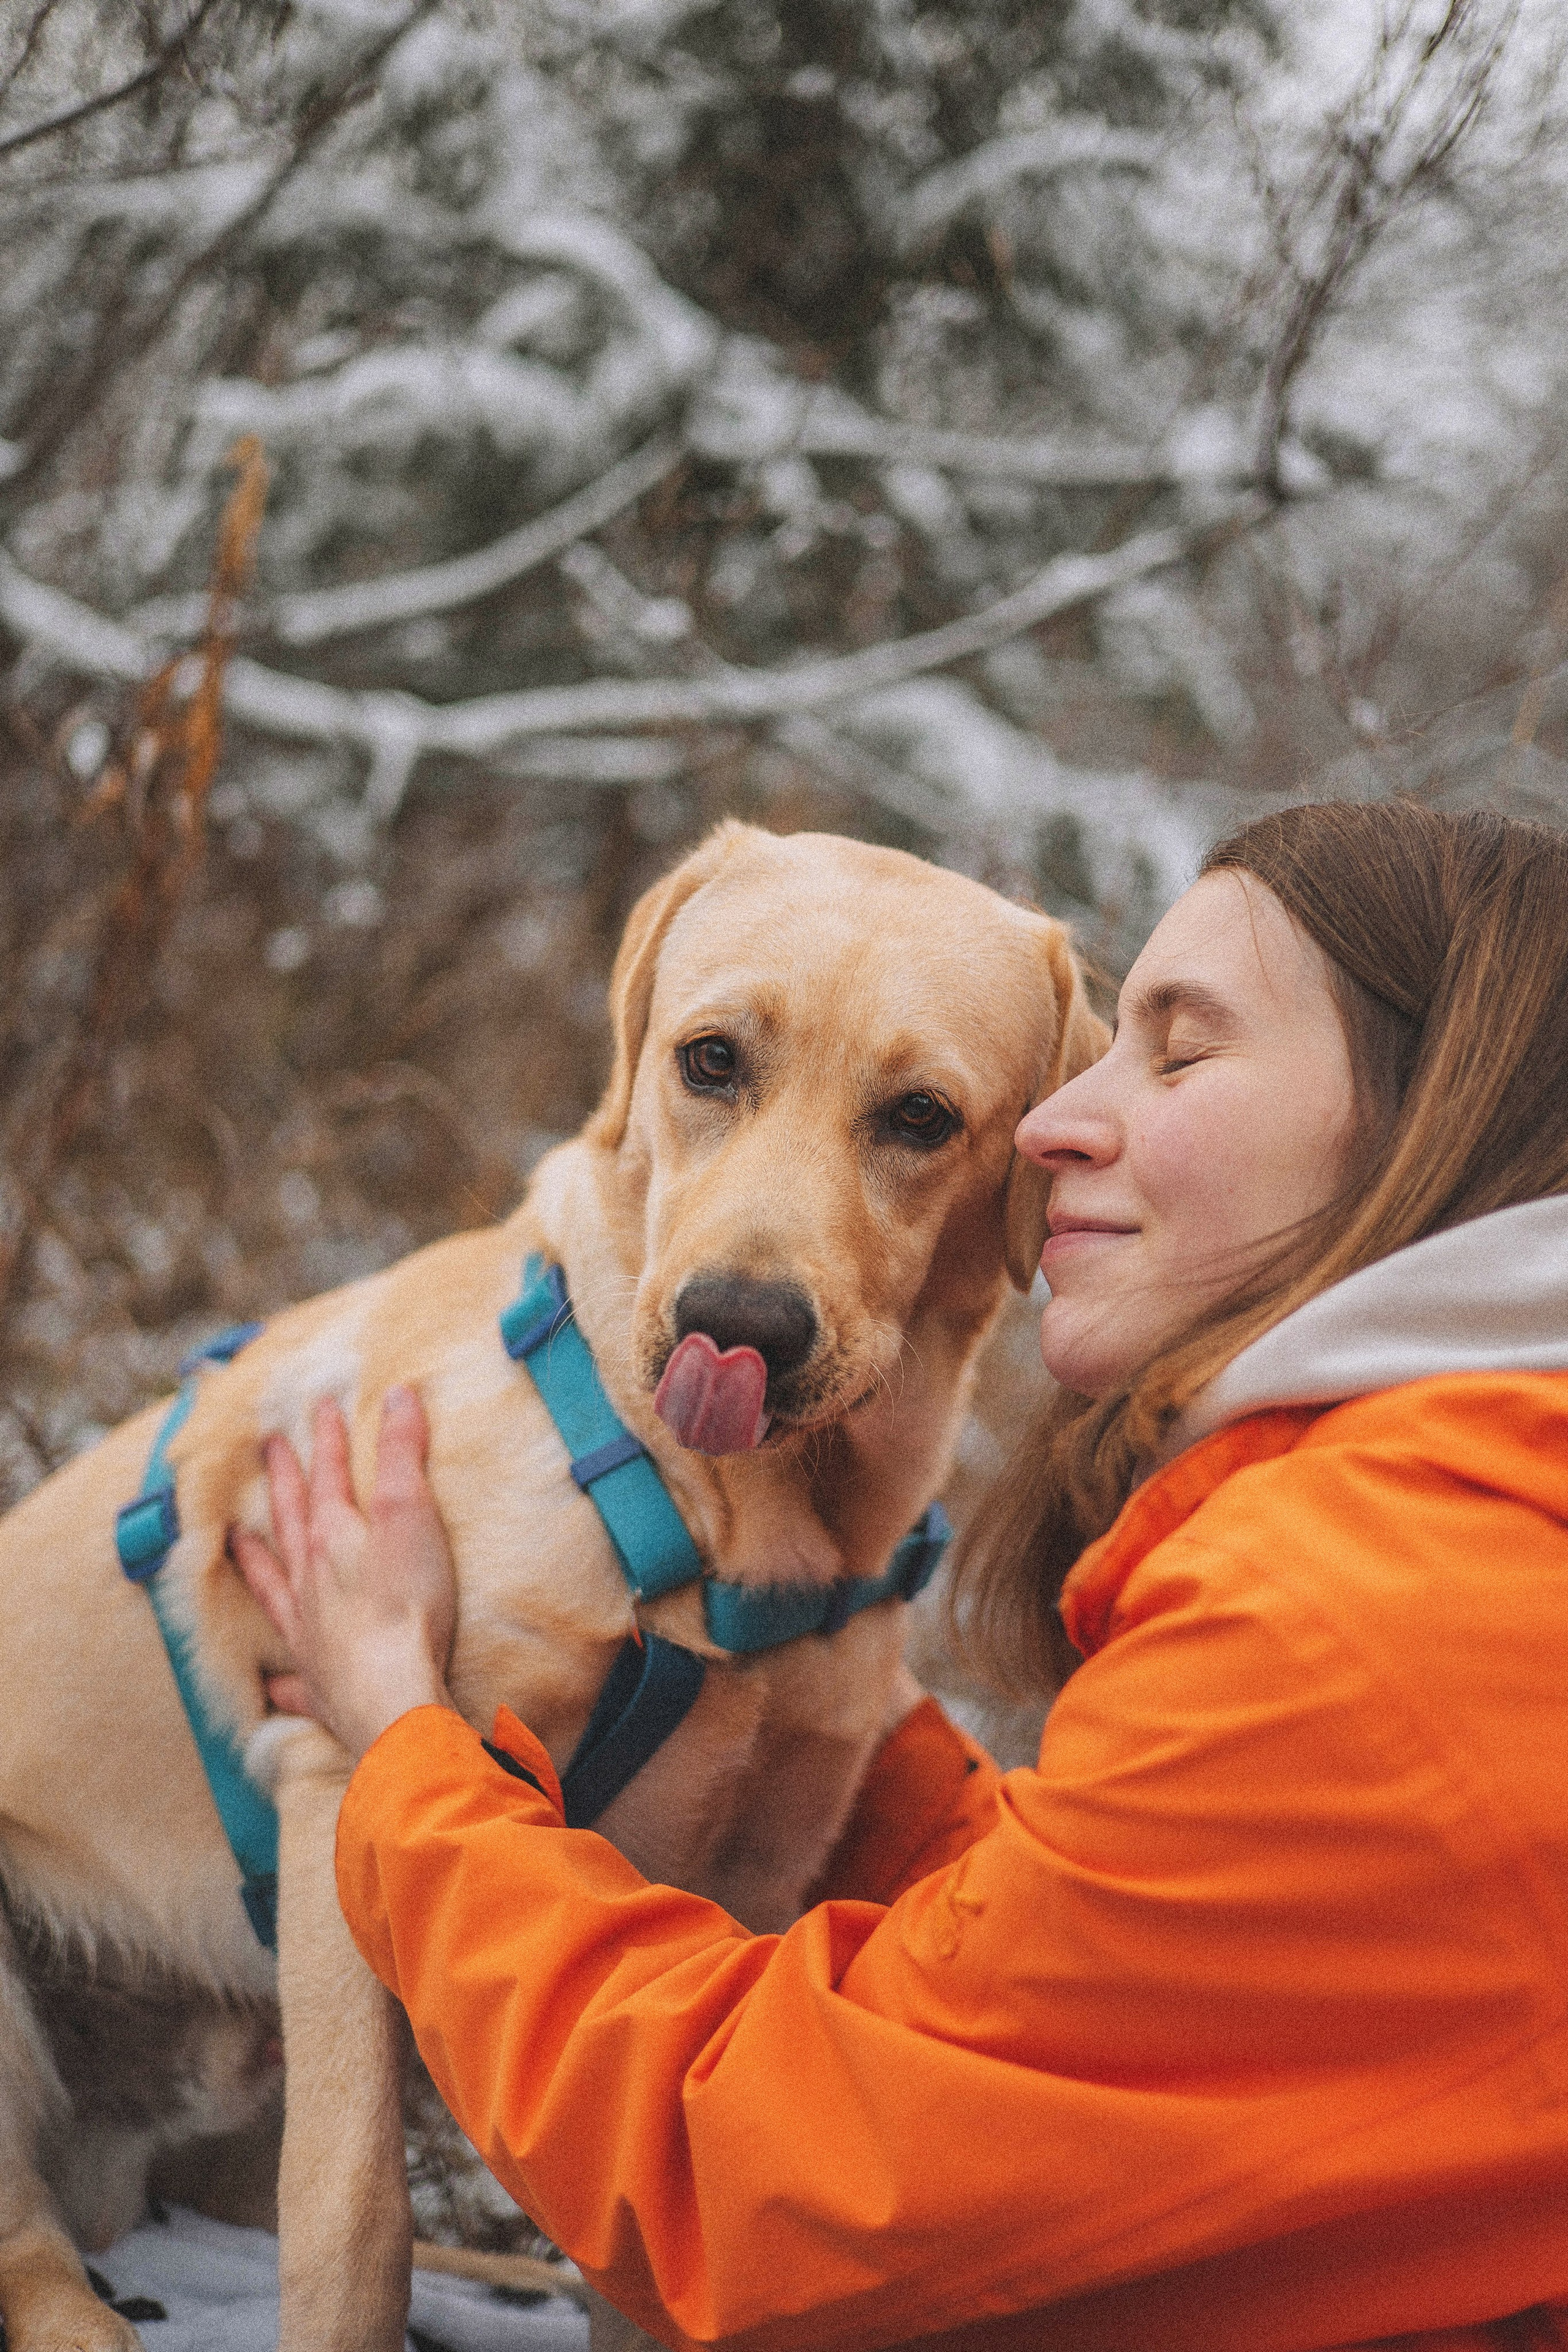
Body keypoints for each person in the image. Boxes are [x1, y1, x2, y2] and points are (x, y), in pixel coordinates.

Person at [234, 799, 1568, 2352]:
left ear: (1429, 1126)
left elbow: (752, 2185)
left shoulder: (1347, 1614)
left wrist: (405, 1744)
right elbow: (1128, 1987)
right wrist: (830, 1718)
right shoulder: (1458, 1514)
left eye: (1177, 1050)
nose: (1056, 1126)